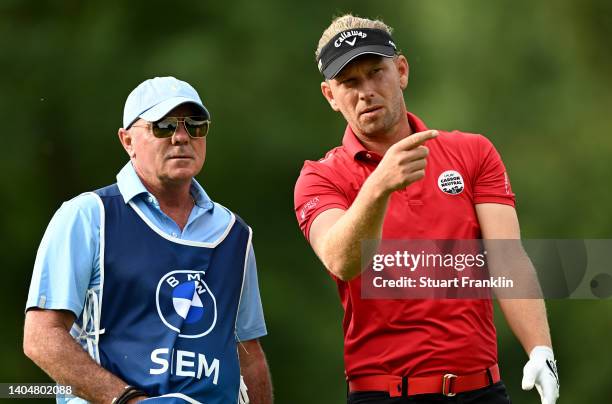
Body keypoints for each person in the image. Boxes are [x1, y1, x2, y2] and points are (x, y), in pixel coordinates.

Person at [294, 14, 559, 404]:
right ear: (330, 96)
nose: (366, 91)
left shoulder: (472, 152)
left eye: (376, 73)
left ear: (400, 71)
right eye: (349, 82)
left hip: (480, 390)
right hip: (384, 394)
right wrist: (379, 185)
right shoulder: (320, 177)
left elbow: (506, 258)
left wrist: (541, 349)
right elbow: (341, 260)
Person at [24, 76, 273, 404]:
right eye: (164, 125)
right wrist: (126, 400)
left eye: (195, 125)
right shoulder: (89, 216)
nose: (181, 137)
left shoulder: (233, 233)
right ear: (127, 141)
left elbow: (248, 353)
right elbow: (41, 337)